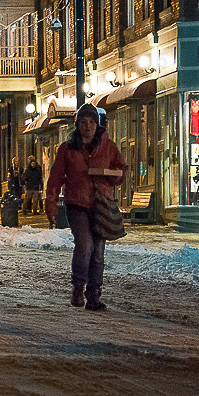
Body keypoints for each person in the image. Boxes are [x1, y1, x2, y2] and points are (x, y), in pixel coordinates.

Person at [46, 103, 126, 311]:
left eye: (91, 121)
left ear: (96, 124)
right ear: (78, 124)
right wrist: (51, 203)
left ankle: (94, 296)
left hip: (102, 205)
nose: (88, 126)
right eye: (83, 122)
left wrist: (112, 176)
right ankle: (77, 288)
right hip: (77, 204)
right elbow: (55, 178)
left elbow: (121, 170)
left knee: (98, 251)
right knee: (85, 246)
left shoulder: (108, 146)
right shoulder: (67, 149)